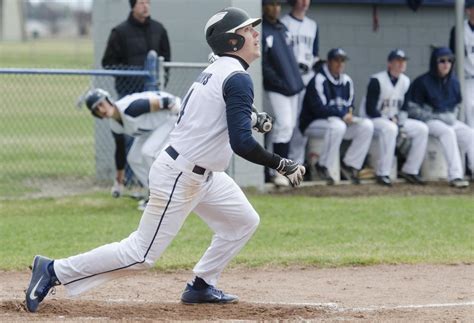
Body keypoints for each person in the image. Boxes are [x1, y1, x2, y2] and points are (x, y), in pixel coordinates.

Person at [25, 7, 305, 312]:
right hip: (181, 174)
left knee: (243, 222)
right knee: (141, 254)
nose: (254, 34)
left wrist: (250, 118)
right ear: (231, 41)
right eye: (247, 30)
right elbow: (241, 144)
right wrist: (281, 163)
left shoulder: (221, 70)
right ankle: (54, 270)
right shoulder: (235, 77)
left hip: (204, 174)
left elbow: (210, 117)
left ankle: (202, 285)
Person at [101, 0, 172, 195]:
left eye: (148, 2)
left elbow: (166, 58)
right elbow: (108, 63)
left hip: (155, 95)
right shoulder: (120, 32)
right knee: (132, 142)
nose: (146, 6)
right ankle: (133, 181)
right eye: (141, 2)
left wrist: (159, 78)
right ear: (133, 5)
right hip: (129, 93)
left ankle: (160, 190)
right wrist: (136, 74)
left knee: (151, 146)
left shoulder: (158, 29)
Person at [81, 88, 180, 209]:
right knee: (133, 158)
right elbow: (120, 151)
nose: (101, 110)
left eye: (101, 104)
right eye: (96, 110)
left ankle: (164, 197)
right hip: (152, 127)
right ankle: (154, 194)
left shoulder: (129, 108)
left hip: (171, 115)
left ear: (108, 100)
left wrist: (178, 110)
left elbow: (166, 101)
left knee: (148, 152)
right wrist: (119, 180)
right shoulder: (115, 124)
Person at [299, 48, 374, 185]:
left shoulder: (347, 81)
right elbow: (318, 109)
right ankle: (323, 166)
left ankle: (350, 165)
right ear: (329, 62)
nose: (340, 64)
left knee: (366, 126)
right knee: (337, 126)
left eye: (342, 61)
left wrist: (348, 115)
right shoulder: (319, 79)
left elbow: (350, 106)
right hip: (313, 123)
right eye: (336, 60)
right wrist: (342, 115)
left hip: (337, 123)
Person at [405, 47, 474, 188]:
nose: (446, 64)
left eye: (449, 61)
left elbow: (456, 105)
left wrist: (451, 116)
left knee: (469, 134)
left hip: (448, 120)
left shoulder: (454, 82)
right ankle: (456, 176)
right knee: (448, 132)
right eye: (442, 61)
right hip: (428, 121)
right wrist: (436, 116)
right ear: (434, 63)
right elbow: (412, 109)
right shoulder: (422, 81)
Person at [359, 49, 429, 186]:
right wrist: (390, 120)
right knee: (390, 128)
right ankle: (383, 173)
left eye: (403, 61)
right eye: (397, 61)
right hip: (372, 119)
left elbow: (404, 107)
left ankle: (411, 170)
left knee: (422, 129)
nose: (401, 64)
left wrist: (401, 122)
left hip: (393, 120)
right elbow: (370, 109)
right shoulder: (377, 80)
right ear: (389, 64)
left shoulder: (405, 81)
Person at [262, 0, 305, 187]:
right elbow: (263, 64)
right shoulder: (262, 30)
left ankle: (283, 169)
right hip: (276, 88)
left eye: (278, 5)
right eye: (271, 4)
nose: (276, 8)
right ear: (264, 7)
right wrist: (279, 82)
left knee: (289, 127)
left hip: (291, 86)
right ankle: (277, 171)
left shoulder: (282, 28)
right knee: (283, 125)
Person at [281, 0, 319, 167]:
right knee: (288, 122)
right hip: (290, 78)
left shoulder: (312, 25)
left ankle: (298, 164)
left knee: (302, 121)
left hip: (308, 77)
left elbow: (315, 53)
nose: (304, 3)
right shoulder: (284, 23)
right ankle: (282, 161)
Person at [449, 0, 474, 128]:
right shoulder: (459, 29)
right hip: (467, 79)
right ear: (468, 10)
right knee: (469, 113)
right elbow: (452, 55)